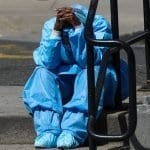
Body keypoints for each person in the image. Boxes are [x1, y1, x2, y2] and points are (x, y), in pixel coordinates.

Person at [22, 4, 128, 149]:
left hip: (100, 82)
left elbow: (90, 60)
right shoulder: (50, 26)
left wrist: (78, 29)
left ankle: (73, 130)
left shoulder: (98, 24)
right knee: (42, 72)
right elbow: (47, 62)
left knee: (90, 72)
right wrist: (56, 31)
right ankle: (48, 130)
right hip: (67, 83)